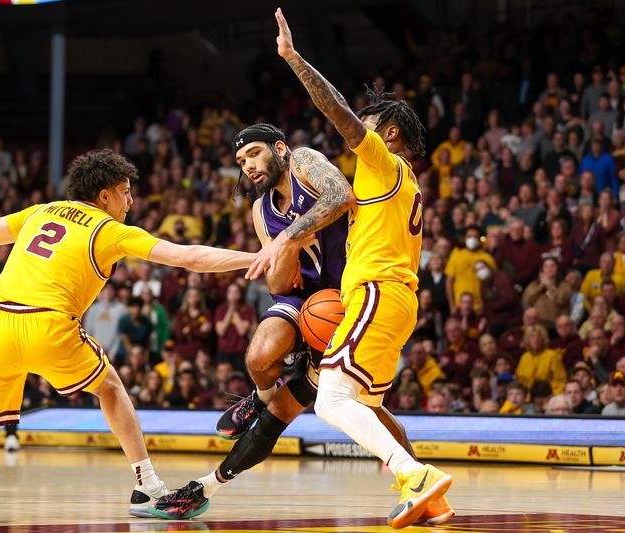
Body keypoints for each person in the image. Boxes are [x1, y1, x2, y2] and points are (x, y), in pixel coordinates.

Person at [0, 148, 255, 522]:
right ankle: (147, 487)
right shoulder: (111, 230)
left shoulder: (41, 212)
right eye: (125, 192)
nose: (130, 201)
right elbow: (189, 257)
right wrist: (255, 258)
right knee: (111, 388)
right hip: (48, 323)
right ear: (104, 196)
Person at [241, 10, 452, 529]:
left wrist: (293, 59)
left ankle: (414, 476)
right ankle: (434, 501)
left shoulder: (382, 163)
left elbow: (338, 114)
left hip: (377, 294)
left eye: (373, 125)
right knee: (364, 404)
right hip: (393, 300)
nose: (361, 133)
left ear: (391, 132)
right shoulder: (401, 185)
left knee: (331, 401)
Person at [214, 122, 350, 440]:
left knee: (338, 393)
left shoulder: (303, 162)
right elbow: (277, 287)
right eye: (241, 161)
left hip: (345, 291)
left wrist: (288, 236)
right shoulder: (261, 210)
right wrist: (290, 247)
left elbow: (342, 196)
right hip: (302, 296)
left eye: (254, 153)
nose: (248, 165)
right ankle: (262, 396)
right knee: (258, 357)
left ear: (278, 149)